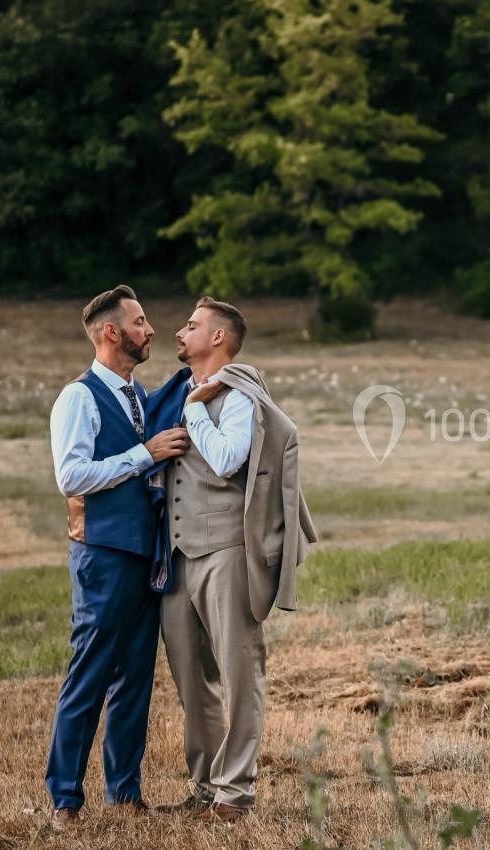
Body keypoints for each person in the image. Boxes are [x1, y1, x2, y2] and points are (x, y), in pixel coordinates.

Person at [154, 296, 317, 823]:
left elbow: (226, 460)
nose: (180, 332)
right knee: (189, 675)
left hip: (226, 551)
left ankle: (236, 793)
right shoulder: (178, 392)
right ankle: (204, 785)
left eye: (192, 325)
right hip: (177, 556)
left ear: (219, 338)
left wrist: (197, 411)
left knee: (240, 673)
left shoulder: (238, 397)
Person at [45, 285, 190, 828]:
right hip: (102, 555)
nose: (151, 330)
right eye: (140, 321)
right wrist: (142, 455)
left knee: (134, 678)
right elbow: (72, 476)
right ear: (113, 332)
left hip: (143, 555)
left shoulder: (140, 396)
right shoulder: (77, 398)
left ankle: (125, 793)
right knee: (90, 673)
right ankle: (64, 800)